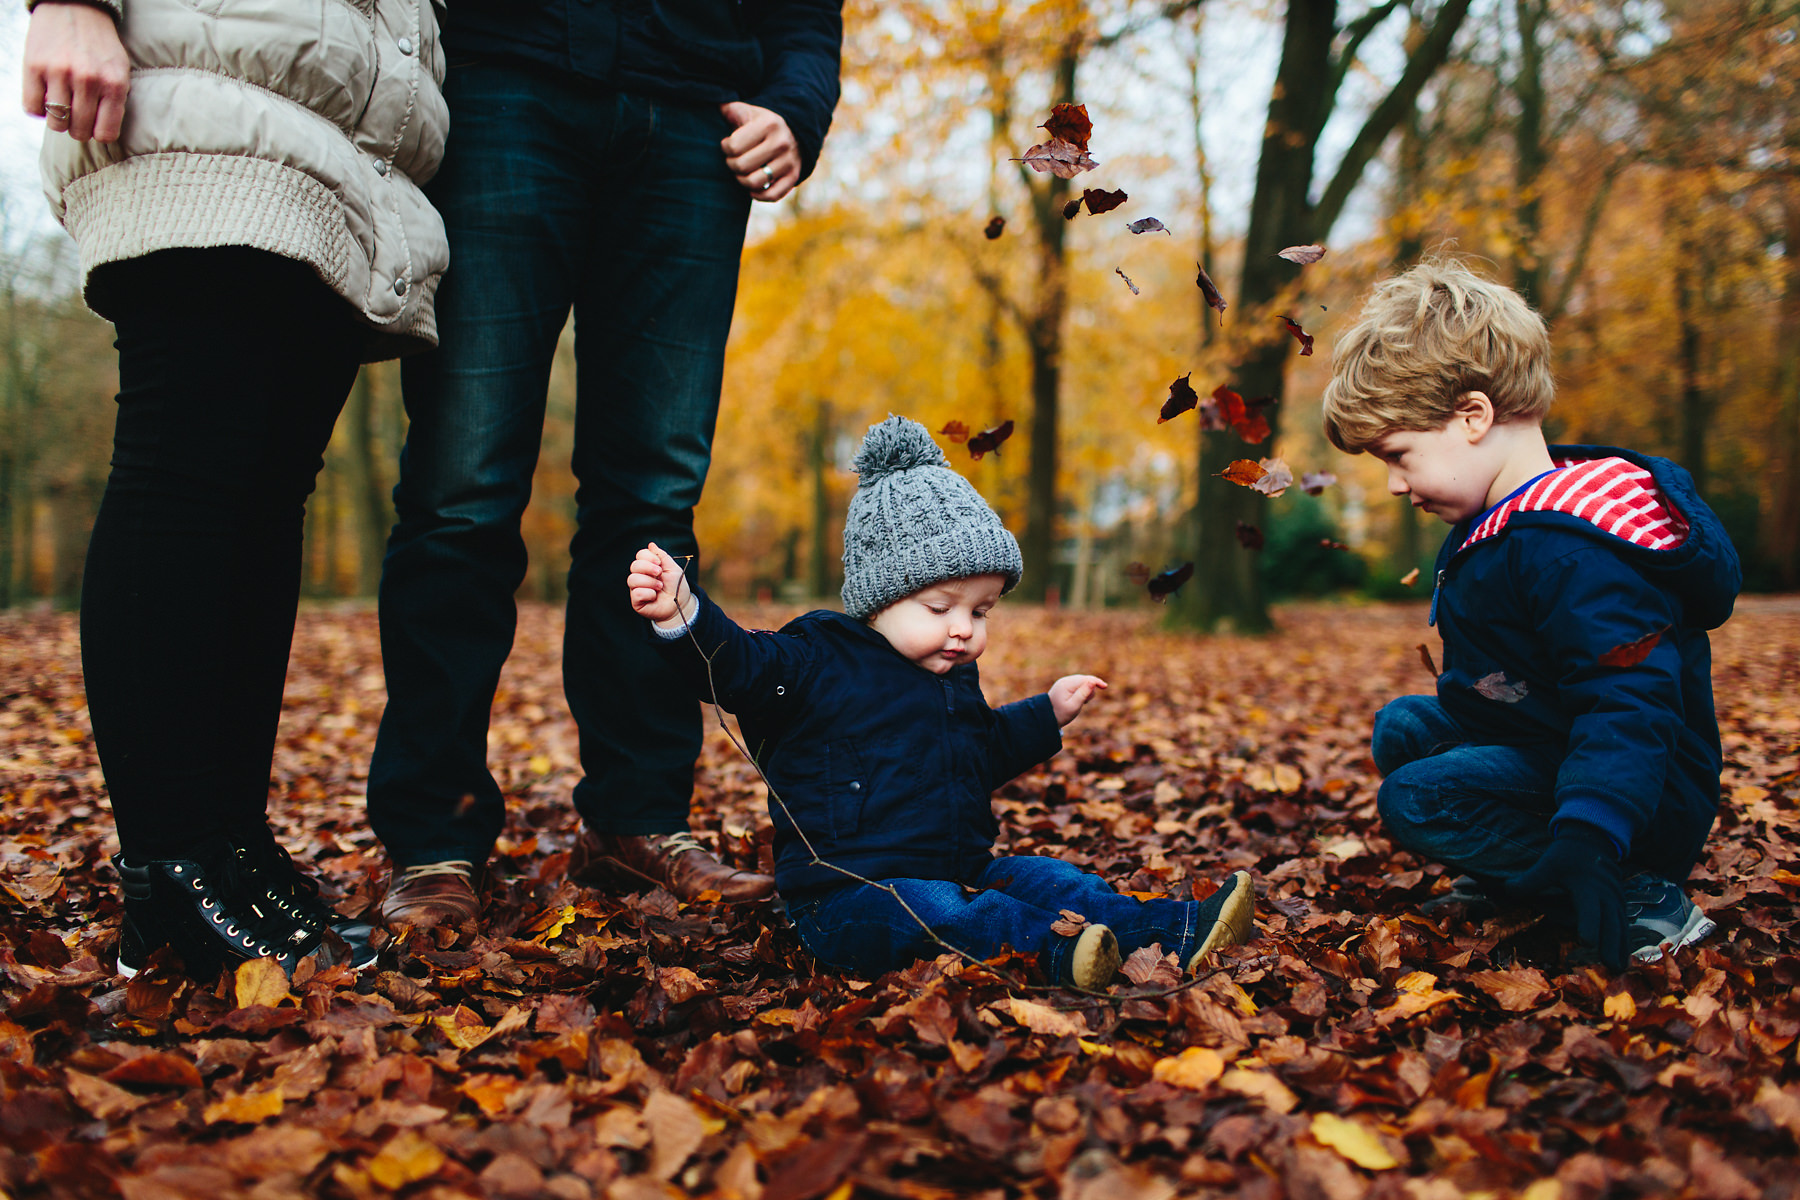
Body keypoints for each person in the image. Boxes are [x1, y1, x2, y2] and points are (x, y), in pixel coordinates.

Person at [368, 0, 845, 930]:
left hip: (697, 115)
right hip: (503, 80)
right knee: (461, 489)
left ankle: (639, 820)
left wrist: (797, 105)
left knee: (655, 499)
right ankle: (433, 836)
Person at [22, 0, 449, 977]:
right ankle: (168, 880)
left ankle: (225, 848)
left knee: (260, 498)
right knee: (188, 474)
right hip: (206, 90)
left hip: (335, 140)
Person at [625, 417, 1257, 988]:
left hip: (960, 867)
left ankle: (1176, 931)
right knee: (943, 915)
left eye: (981, 612)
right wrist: (686, 616)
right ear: (881, 597)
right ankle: (1057, 957)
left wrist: (1047, 713)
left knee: (1049, 880)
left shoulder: (953, 674)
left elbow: (978, 752)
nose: (964, 629)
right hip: (852, 899)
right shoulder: (817, 657)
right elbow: (738, 666)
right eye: (941, 608)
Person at [1321, 259, 1742, 971]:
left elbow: (1628, 702)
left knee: (1416, 801)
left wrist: (1593, 830)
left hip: (1639, 792)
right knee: (1403, 728)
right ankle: (1520, 876)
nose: (1394, 485)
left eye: (1398, 456)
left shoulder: (1568, 547)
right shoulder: (1514, 520)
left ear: (1473, 416)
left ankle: (1636, 892)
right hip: (1555, 741)